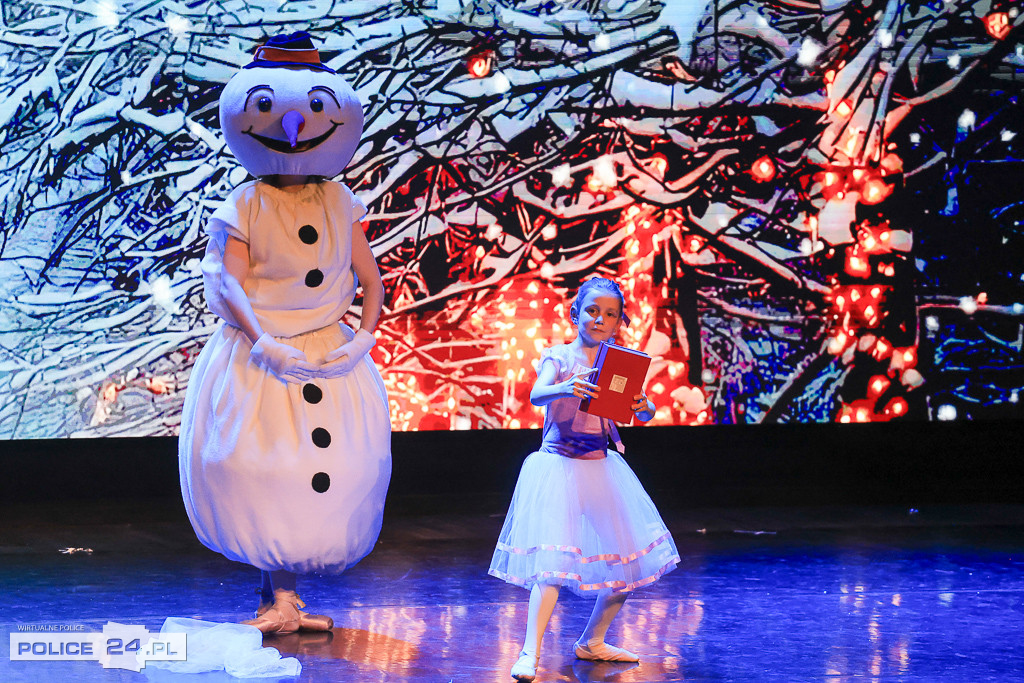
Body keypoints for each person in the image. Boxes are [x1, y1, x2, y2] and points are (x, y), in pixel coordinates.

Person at [178, 31, 391, 636]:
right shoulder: (244, 204)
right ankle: (277, 596)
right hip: (261, 357)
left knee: (333, 469)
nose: (296, 127)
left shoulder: (341, 200)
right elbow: (227, 283)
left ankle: (287, 599)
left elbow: (370, 279)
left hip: (330, 355)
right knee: (265, 464)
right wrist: (263, 340)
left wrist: (363, 337)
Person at [488, 277, 680, 681]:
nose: (600, 319)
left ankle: (592, 640)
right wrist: (563, 386)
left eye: (610, 314)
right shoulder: (558, 356)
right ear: (575, 314)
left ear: (618, 323)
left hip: (600, 467)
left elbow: (639, 414)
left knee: (627, 564)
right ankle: (530, 652)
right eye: (592, 310)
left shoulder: (618, 363)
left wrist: (644, 406)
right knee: (552, 568)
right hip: (558, 467)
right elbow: (538, 394)